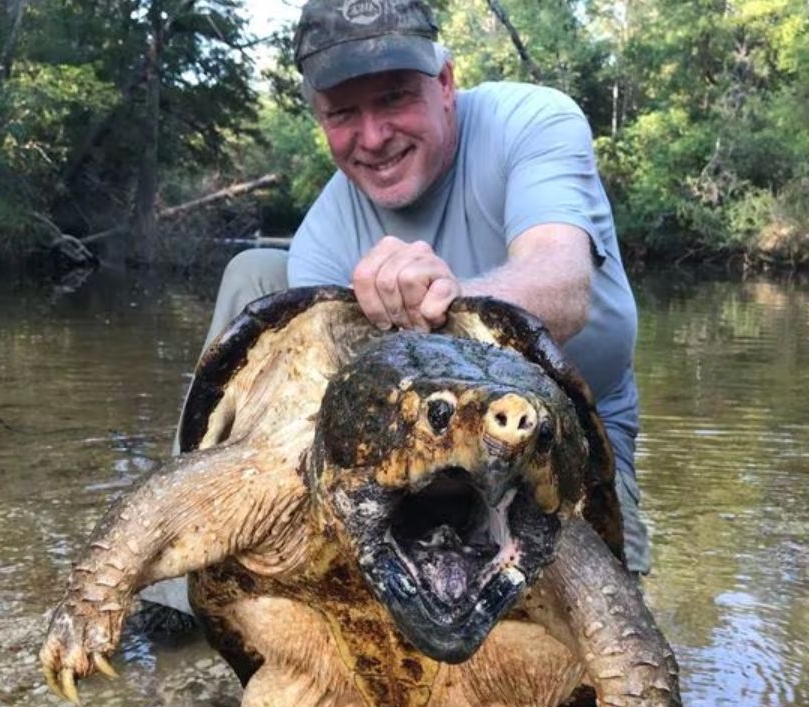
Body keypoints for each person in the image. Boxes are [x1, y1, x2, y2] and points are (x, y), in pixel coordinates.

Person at [139, 0, 649, 620]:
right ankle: (184, 595)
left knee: (592, 665)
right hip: (412, 457)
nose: (374, 136)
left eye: (394, 98)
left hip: (561, 440)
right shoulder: (326, 234)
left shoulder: (533, 122)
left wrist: (447, 299)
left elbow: (564, 288)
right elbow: (327, 432)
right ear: (318, 118)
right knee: (259, 279)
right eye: (344, 113)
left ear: (445, 85)